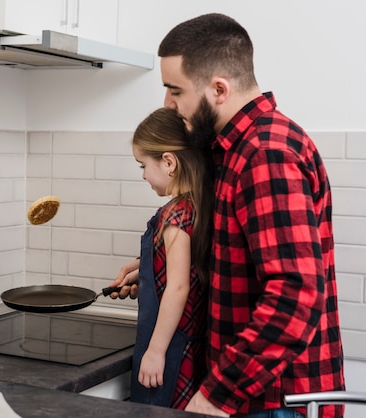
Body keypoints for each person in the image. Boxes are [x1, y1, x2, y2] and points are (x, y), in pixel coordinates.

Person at [112, 13, 345, 418]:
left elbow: (294, 296)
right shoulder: (234, 150)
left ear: (219, 89)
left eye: (175, 90)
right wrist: (154, 267)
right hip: (258, 396)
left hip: (274, 400)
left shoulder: (265, 154)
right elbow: (241, 259)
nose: (168, 104)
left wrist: (217, 393)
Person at [111, 107, 213, 409]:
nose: (143, 175)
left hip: (168, 350)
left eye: (143, 165)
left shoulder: (175, 216)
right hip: (190, 349)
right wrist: (145, 271)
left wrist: (154, 351)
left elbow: (178, 287)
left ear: (169, 162)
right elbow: (184, 271)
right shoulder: (198, 205)